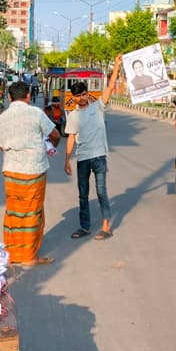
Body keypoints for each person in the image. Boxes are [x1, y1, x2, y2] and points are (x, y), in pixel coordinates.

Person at [0, 81, 61, 266]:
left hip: (11, 170)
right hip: (34, 170)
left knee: (13, 211)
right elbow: (55, 135)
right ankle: (29, 256)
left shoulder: (2, 118)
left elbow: (1, 146)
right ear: (28, 96)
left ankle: (12, 252)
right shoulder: (36, 113)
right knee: (32, 212)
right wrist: (50, 148)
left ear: (9, 97)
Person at [64, 55, 124, 240]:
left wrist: (116, 66)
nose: (81, 98)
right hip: (82, 158)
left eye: (83, 95)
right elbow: (71, 137)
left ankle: (106, 226)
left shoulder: (98, 106)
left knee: (101, 192)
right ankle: (85, 227)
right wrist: (67, 160)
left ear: (87, 93)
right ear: (73, 98)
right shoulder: (72, 115)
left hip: (99, 157)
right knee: (83, 194)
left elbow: (109, 87)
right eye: (77, 96)